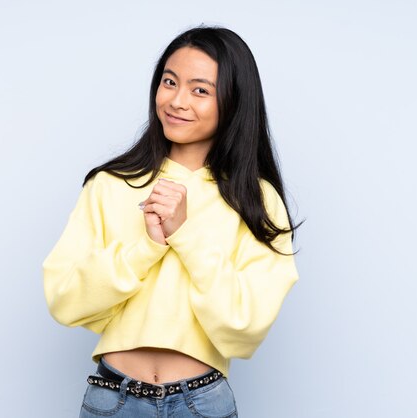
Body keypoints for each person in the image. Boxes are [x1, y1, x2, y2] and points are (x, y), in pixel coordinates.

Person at [42, 25, 302, 418]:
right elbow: (65, 300)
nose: (177, 101)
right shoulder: (112, 184)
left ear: (234, 101)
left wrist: (186, 233)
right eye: (169, 82)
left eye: (200, 90)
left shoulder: (256, 200)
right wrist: (147, 246)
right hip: (113, 400)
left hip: (203, 404)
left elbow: (247, 325)